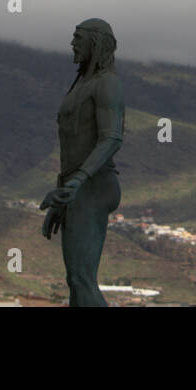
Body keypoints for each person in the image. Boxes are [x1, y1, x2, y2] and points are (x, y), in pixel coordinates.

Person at [40, 18, 125, 306]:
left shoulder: (107, 84)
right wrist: (62, 194)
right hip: (77, 187)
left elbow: (112, 138)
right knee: (75, 280)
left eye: (78, 38)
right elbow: (71, 151)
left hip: (94, 184)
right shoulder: (82, 84)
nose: (72, 44)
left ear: (96, 43)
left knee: (81, 278)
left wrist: (78, 181)